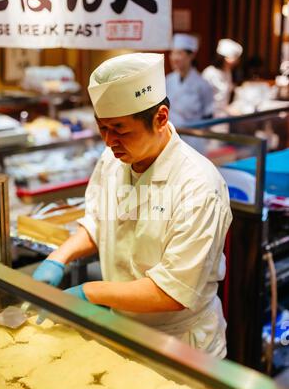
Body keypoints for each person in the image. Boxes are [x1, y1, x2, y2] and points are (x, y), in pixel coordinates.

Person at [33, 53, 232, 358]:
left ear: (161, 118)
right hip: (121, 327)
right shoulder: (115, 159)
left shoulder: (199, 186)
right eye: (103, 129)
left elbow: (172, 290)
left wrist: (89, 291)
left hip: (180, 342)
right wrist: (59, 257)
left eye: (120, 129)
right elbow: (100, 221)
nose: (109, 141)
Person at [166, 33, 214, 153]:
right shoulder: (168, 80)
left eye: (180, 53)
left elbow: (208, 115)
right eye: (172, 53)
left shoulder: (202, 84)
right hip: (170, 137)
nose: (174, 58)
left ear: (191, 55)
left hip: (194, 141)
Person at [202, 38, 243, 118]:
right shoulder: (209, 73)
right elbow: (204, 99)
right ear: (224, 59)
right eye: (234, 58)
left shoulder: (227, 72)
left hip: (223, 116)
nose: (236, 62)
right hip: (210, 117)